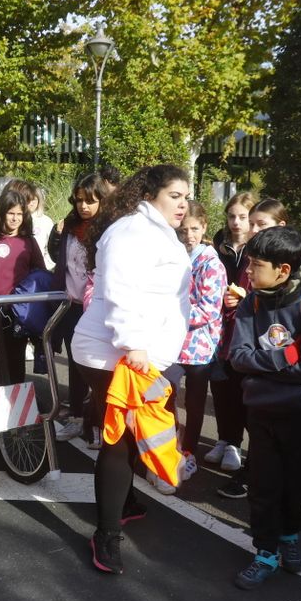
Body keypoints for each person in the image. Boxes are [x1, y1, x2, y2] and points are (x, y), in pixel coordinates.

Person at [71, 165, 192, 574]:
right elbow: (120, 292)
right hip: (114, 354)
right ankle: (106, 535)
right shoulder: (131, 232)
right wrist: (133, 343)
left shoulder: (157, 231)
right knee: (119, 440)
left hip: (136, 353)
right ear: (150, 194)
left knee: (130, 433)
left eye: (186, 196)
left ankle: (123, 502)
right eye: (175, 195)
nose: (183, 204)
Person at [227, 226, 301, 589]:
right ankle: (265, 551)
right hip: (262, 412)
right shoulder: (251, 304)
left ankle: (290, 536)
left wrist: (264, 366)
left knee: (296, 484)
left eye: (255, 265)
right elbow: (238, 357)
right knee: (263, 485)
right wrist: (286, 356)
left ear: (283, 270)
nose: (248, 271)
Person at [214, 198, 288, 499]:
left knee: (269, 418)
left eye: (260, 224)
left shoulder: (290, 264)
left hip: (274, 355)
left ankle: (264, 476)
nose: (251, 229)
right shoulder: (251, 257)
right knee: (250, 410)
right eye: (251, 223)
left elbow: (284, 314)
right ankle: (249, 468)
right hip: (247, 348)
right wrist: (237, 303)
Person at [52, 171, 116, 443]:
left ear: (102, 200)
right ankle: (77, 417)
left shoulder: (110, 229)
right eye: (79, 200)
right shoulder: (68, 226)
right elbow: (59, 259)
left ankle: (101, 424)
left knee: (100, 369)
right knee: (75, 362)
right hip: (70, 304)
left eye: (90, 200)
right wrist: (56, 237)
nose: (83, 206)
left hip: (98, 308)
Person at [202, 192, 254, 468]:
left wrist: (243, 298)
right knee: (220, 385)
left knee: (239, 388)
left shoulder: (256, 248)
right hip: (218, 326)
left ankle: (235, 444)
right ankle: (223, 438)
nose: (236, 222)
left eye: (242, 217)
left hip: (243, 326)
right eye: (232, 216)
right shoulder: (219, 246)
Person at [177, 202, 226, 460]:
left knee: (194, 402)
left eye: (194, 229)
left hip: (200, 345)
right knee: (164, 395)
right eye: (183, 230)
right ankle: (171, 444)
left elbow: (209, 309)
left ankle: (190, 451)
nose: (189, 235)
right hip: (175, 341)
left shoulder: (211, 264)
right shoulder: (177, 256)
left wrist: (170, 316)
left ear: (204, 227)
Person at [0, 183, 47, 379]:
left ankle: (18, 395)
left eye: (19, 214)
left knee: (16, 359)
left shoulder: (28, 242)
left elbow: (40, 273)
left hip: (19, 310)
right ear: (2, 213)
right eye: (11, 213)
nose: (15, 218)